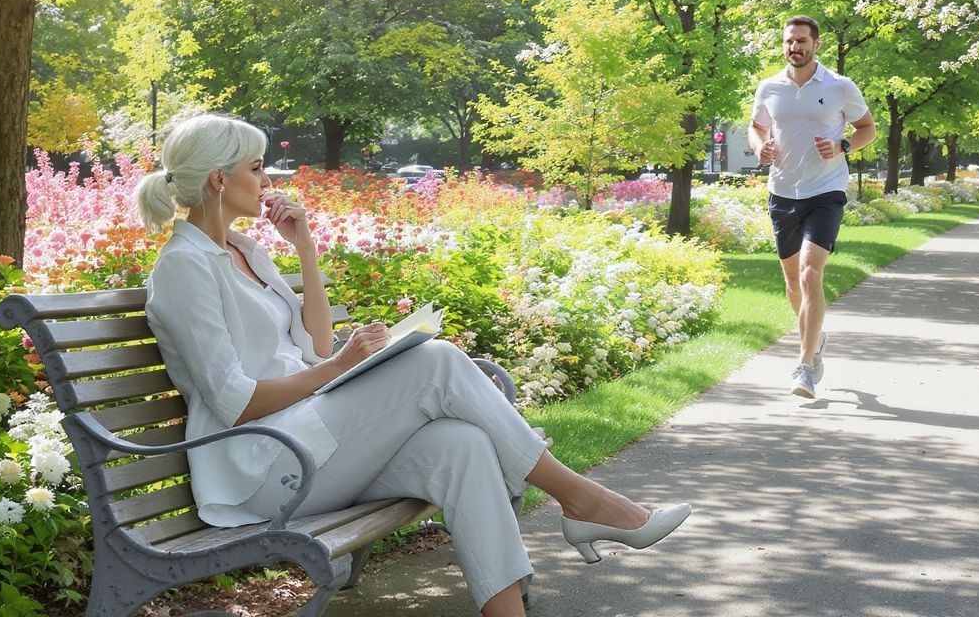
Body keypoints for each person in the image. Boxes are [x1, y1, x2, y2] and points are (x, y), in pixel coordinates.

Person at [134, 114, 691, 617]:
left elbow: (316, 344)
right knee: (438, 360)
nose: (267, 182)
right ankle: (584, 500)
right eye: (256, 169)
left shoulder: (245, 251)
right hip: (261, 467)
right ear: (217, 180)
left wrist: (304, 250)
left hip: (312, 443)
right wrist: (339, 368)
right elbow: (238, 402)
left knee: (460, 446)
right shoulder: (184, 268)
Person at [749, 16, 876, 400]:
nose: (795, 47)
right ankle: (816, 337)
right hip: (783, 192)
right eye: (789, 41)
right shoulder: (769, 87)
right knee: (791, 282)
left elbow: (867, 127)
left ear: (815, 45)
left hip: (826, 190)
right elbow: (756, 128)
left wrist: (843, 146)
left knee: (809, 274)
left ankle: (804, 366)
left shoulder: (840, 86)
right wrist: (760, 148)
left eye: (802, 41)